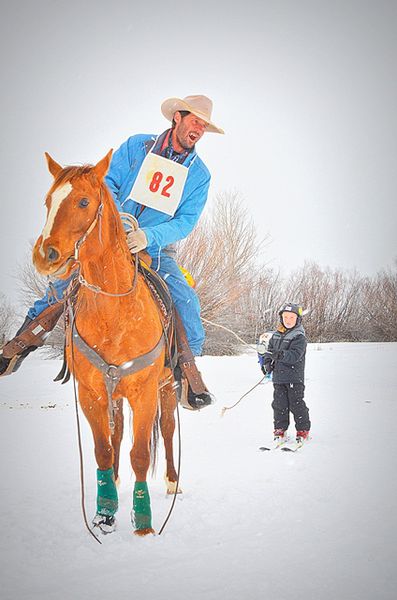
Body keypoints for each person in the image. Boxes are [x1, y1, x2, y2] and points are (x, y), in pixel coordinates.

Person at [0, 95, 224, 409]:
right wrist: (119, 224)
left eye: (204, 125)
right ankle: (21, 342)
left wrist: (147, 236)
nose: (198, 128)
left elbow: (186, 221)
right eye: (195, 120)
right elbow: (108, 184)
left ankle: (185, 373)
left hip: (155, 247)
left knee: (184, 299)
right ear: (178, 117)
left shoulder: (200, 174)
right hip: (109, 235)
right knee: (64, 283)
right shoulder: (136, 146)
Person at [258, 303, 311, 443]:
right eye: (285, 317)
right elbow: (269, 351)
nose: (288, 320)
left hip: (294, 377)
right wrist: (267, 363)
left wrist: (279, 354)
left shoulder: (299, 336)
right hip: (279, 377)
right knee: (279, 404)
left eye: (291, 317)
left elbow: (294, 355)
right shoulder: (276, 335)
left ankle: (303, 430)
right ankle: (280, 429)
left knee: (296, 404)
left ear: (298, 319)